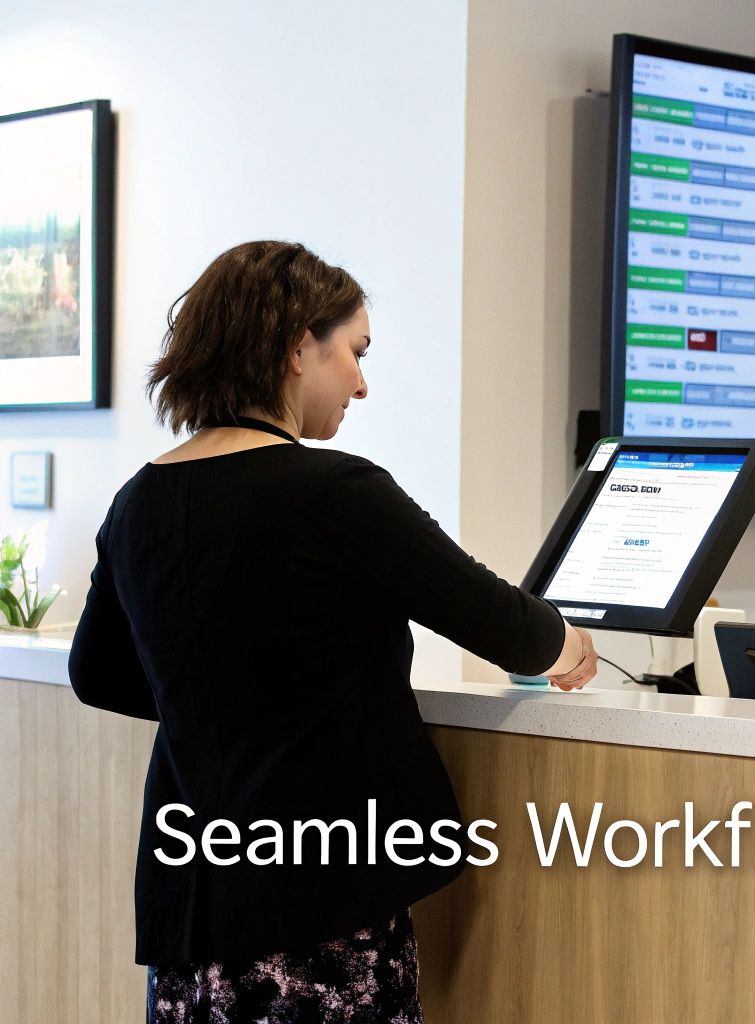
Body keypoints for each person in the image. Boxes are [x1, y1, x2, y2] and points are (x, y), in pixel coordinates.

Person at [67, 240, 600, 1024]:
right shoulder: (336, 491)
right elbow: (507, 627)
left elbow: (98, 673)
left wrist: (227, 703)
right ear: (295, 349)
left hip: (193, 906)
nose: (361, 382)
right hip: (321, 898)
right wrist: (569, 643)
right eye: (353, 352)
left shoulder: (139, 499)